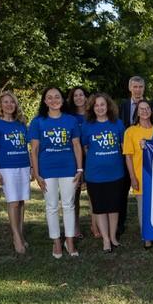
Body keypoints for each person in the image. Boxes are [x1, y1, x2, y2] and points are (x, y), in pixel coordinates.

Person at [29, 87, 82, 259]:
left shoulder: (71, 120)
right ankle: (56, 242)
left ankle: (70, 240)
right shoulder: (38, 122)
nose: (54, 100)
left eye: (57, 97)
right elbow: (34, 150)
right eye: (49, 97)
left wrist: (80, 169)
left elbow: (76, 145)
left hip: (68, 168)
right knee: (51, 206)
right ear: (45, 101)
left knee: (68, 205)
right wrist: (36, 174)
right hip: (47, 170)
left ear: (62, 100)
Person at [0, 91, 30, 255]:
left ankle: (21, 233)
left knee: (21, 201)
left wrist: (31, 167)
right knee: (13, 202)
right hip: (7, 168)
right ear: (0, 105)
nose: (9, 105)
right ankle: (16, 238)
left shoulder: (21, 124)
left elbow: (27, 148)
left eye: (12, 102)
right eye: (5, 102)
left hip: (23, 166)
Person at [81, 93, 125, 253]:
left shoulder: (118, 124)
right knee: (100, 208)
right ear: (93, 108)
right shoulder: (87, 126)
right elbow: (85, 148)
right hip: (95, 174)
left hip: (116, 172)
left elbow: (122, 146)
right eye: (96, 105)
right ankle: (105, 239)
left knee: (113, 207)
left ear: (108, 106)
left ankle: (113, 236)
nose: (100, 108)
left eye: (102, 105)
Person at [118, 76, 153, 240]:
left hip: (148, 165)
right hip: (129, 154)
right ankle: (120, 226)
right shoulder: (123, 106)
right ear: (130, 88)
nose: (138, 89)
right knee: (123, 194)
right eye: (135, 86)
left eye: (141, 86)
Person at [122, 100, 153, 249]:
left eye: (147, 108)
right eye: (141, 109)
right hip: (140, 175)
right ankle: (146, 238)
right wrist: (132, 177)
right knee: (143, 208)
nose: (144, 111)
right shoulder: (130, 131)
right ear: (137, 112)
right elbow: (128, 156)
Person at [66, 86, 91, 239]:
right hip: (74, 157)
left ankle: (96, 225)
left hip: (91, 156)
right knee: (73, 194)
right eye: (75, 95)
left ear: (86, 97)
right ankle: (75, 228)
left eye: (81, 95)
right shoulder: (69, 117)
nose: (79, 98)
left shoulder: (92, 115)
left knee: (93, 193)